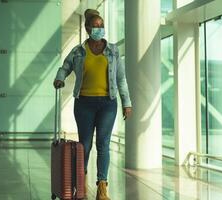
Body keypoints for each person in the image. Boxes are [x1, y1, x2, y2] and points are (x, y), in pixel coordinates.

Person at [53, 9, 132, 200]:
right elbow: (65, 67)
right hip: (84, 104)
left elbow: (121, 79)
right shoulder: (79, 51)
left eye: (102, 25)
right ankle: (80, 183)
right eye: (96, 26)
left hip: (108, 103)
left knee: (103, 144)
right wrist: (59, 78)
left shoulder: (113, 50)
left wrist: (126, 103)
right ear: (88, 28)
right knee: (84, 146)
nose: (99, 29)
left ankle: (102, 188)